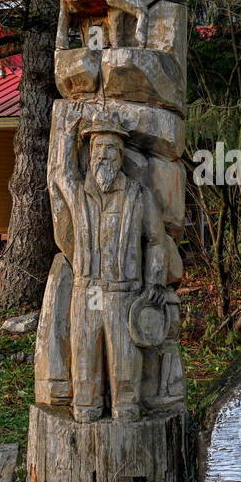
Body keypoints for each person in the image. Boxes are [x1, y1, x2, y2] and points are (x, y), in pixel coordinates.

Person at [54, 112, 167, 421]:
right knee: (84, 357)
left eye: (109, 149)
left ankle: (125, 406)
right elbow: (61, 173)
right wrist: (68, 131)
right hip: (86, 293)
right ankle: (86, 405)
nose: (102, 156)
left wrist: (155, 280)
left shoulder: (138, 196)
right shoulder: (79, 194)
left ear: (120, 155)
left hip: (123, 294)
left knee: (125, 362)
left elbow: (156, 241)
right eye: (96, 149)